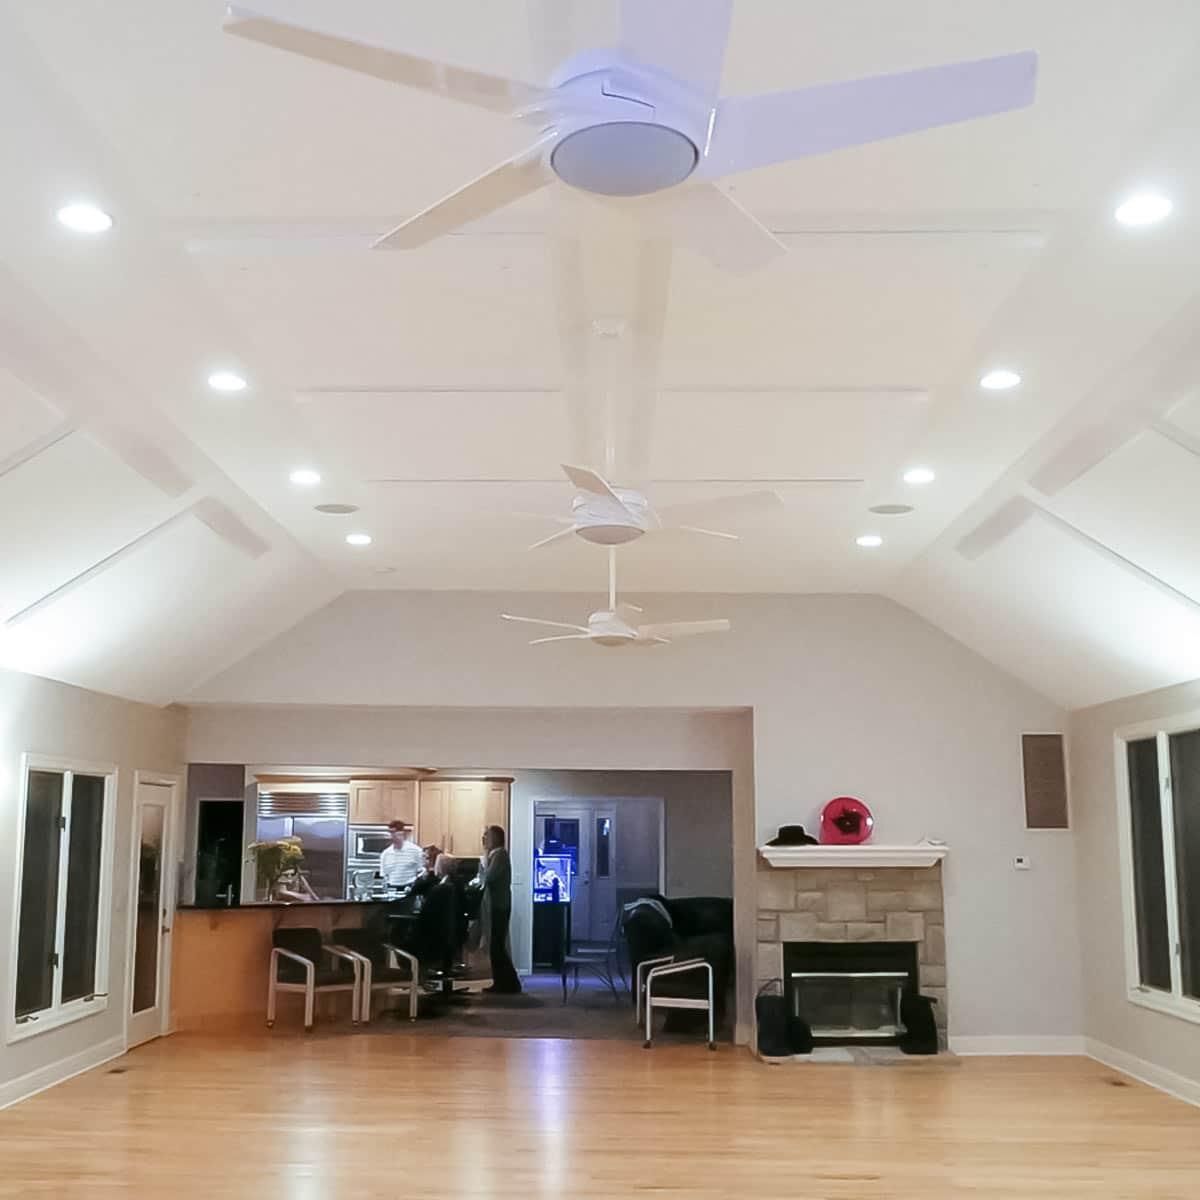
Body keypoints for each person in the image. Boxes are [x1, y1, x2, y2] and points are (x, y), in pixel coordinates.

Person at [478, 825, 521, 994]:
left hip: (499, 906)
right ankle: (503, 983)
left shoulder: (500, 855)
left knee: (497, 946)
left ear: (496, 838)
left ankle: (510, 983)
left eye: (487, 836)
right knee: (496, 946)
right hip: (498, 905)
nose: (484, 839)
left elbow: (488, 877)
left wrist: (482, 863)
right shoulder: (495, 855)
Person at [379, 820, 424, 891]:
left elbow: (421, 872)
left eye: (394, 833)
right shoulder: (385, 854)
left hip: (410, 888)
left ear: (402, 833)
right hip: (392, 889)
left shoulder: (416, 851)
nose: (392, 836)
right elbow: (384, 876)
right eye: (390, 833)